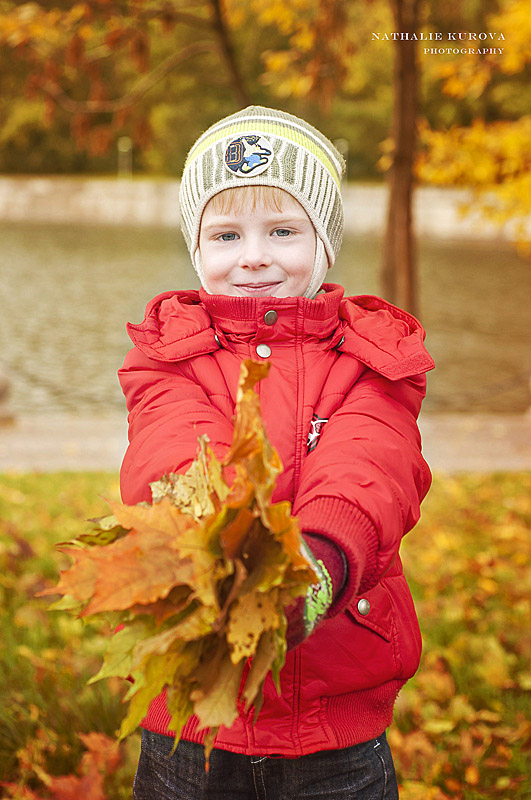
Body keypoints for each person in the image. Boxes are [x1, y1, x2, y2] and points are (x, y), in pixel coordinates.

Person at [118, 105, 435, 799]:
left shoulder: (373, 358)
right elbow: (171, 450)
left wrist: (316, 561)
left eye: (283, 231)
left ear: (325, 245)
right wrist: (239, 551)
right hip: (194, 713)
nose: (254, 255)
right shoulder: (167, 355)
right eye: (226, 235)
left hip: (332, 722)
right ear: (197, 250)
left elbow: (371, 462)